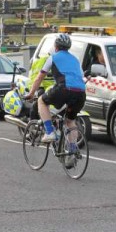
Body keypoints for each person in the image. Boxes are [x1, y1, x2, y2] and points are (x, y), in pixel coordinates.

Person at [25, 33, 86, 168]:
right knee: (70, 121)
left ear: (56, 46)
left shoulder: (52, 58)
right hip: (81, 93)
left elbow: (38, 78)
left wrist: (31, 93)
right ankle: (72, 149)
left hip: (64, 89)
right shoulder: (75, 60)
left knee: (41, 101)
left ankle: (49, 131)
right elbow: (81, 76)